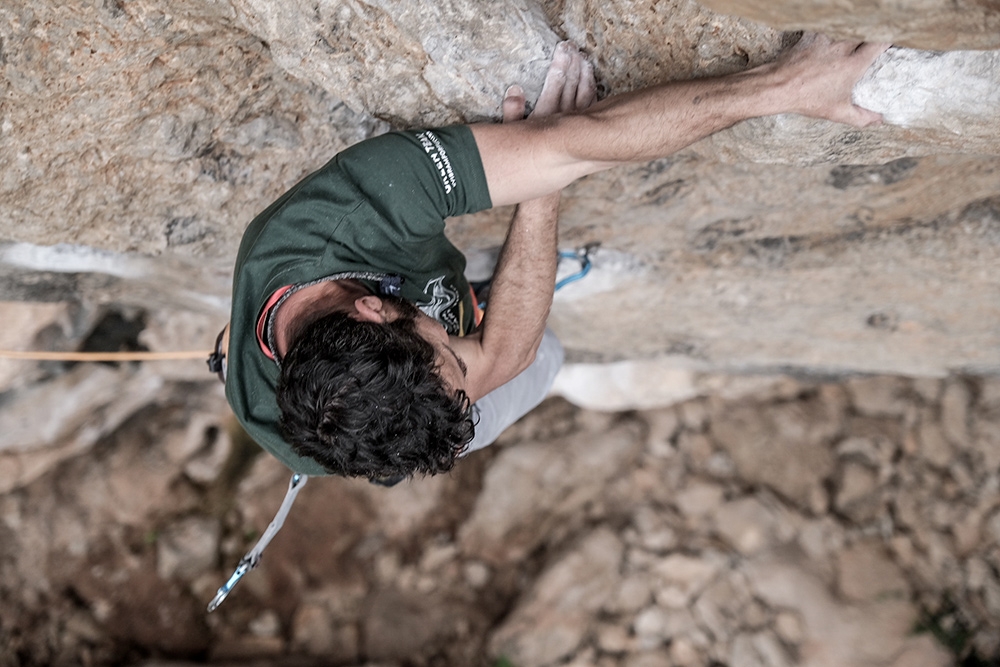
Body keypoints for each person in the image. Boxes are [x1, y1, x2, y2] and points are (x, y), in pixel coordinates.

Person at [218, 34, 887, 482]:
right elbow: (504, 357)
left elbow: (578, 141)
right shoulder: (356, 429)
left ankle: (482, 285)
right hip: (423, 412)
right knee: (547, 358)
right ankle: (523, 334)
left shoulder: (352, 207)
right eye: (453, 355)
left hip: (384, 283)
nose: (464, 361)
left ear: (370, 305)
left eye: (450, 351)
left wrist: (784, 82)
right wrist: (540, 190)